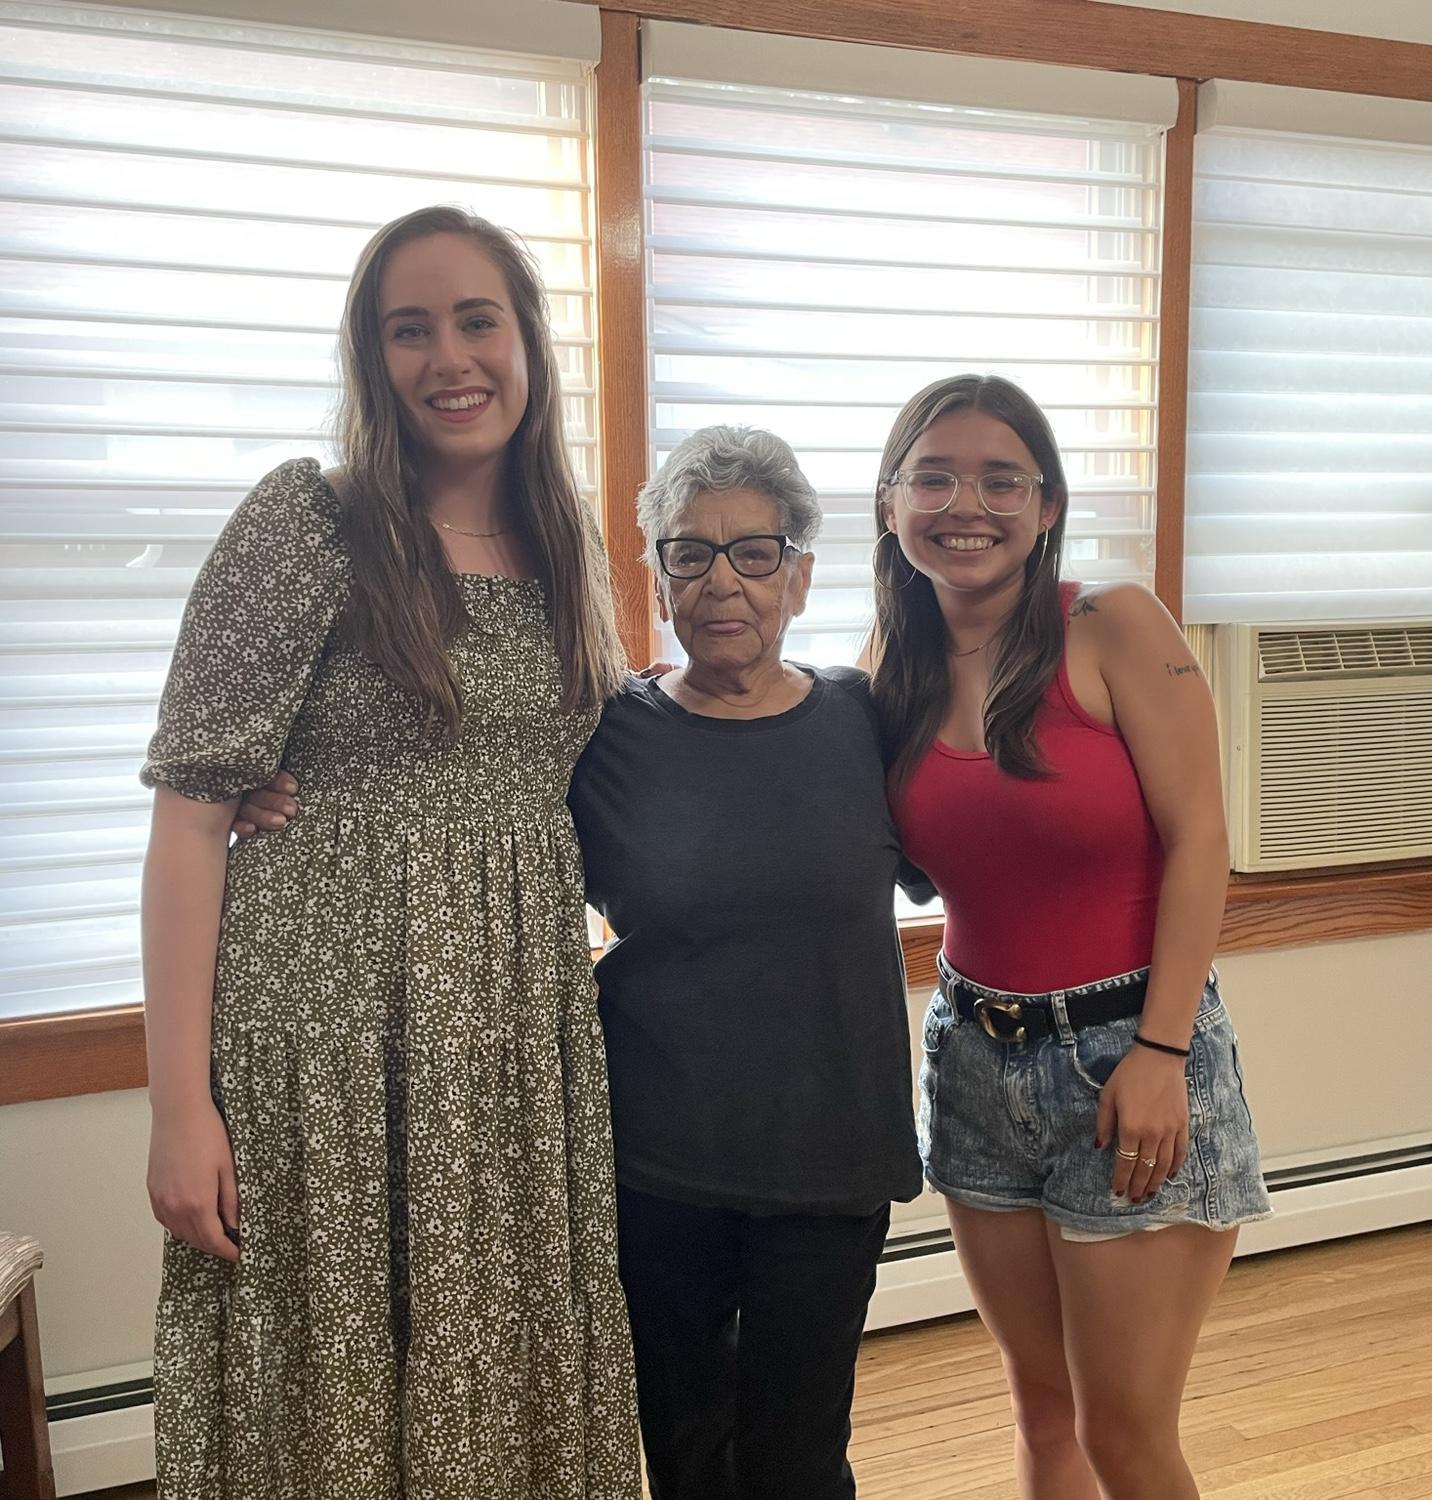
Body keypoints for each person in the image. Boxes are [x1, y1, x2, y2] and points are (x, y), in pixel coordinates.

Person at [237, 425, 925, 1500]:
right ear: (655, 577)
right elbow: (442, 780)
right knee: (688, 1442)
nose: (721, 583)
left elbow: (984, 819)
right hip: (657, 1156)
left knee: (799, 1453)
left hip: (830, 1154)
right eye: (687, 554)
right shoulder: (602, 731)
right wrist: (261, 787)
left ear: (800, 573)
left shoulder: (866, 721)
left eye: (754, 552)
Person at [139, 205, 639, 1498]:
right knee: (332, 1378)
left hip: (514, 1043)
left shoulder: (566, 544)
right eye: (406, 329)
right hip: (322, 1035)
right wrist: (179, 1109)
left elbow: (576, 785)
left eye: (477, 320)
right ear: (371, 358)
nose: (447, 358)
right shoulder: (311, 522)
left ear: (527, 340)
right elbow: (193, 818)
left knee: (500, 1363)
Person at [870, 374, 1271, 1500]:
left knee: (1124, 1434)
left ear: (1047, 507)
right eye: (935, 475)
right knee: (1043, 1413)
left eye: (1004, 478)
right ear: (891, 503)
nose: (968, 503)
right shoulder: (888, 673)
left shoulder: (1113, 625)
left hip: (1123, 1056)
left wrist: (1162, 1054)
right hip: (970, 1056)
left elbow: (1203, 845)